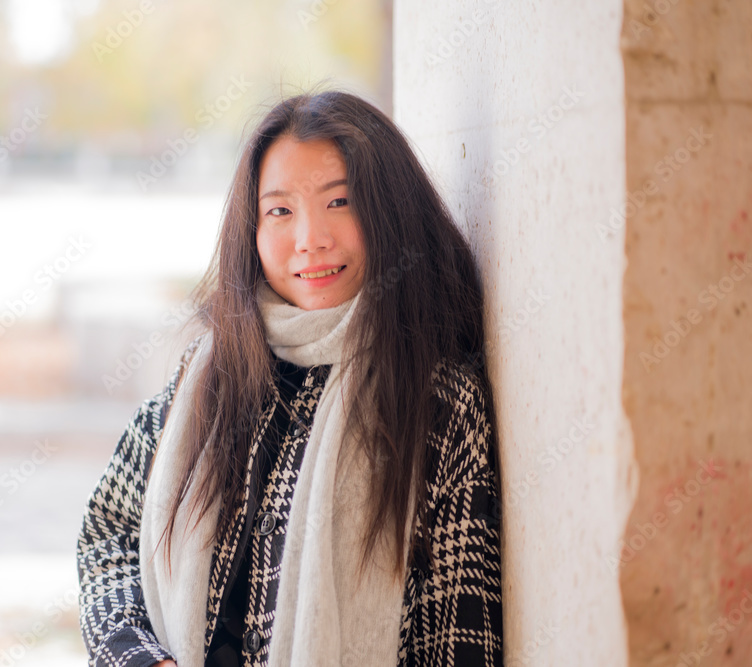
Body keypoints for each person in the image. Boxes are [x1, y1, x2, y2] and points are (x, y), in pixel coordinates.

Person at [77, 90, 503, 667]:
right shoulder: (213, 371)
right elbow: (111, 533)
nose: (310, 239)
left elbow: (460, 642)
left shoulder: (438, 404)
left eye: (340, 201)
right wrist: (138, 657)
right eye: (280, 210)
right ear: (251, 229)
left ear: (391, 212)